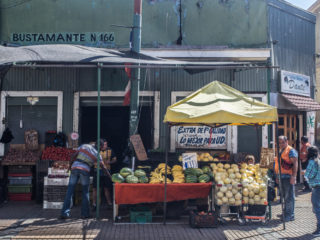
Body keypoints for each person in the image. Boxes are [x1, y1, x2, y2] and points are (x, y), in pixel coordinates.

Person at [60, 140, 107, 219]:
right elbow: (103, 167)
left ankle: (64, 213)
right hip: (85, 170)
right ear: (101, 147)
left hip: (74, 168)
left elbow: (73, 156)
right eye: (103, 147)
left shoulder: (84, 146)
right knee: (85, 192)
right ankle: (85, 214)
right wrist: (110, 176)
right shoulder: (97, 154)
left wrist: (69, 167)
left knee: (69, 191)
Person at [274, 135, 298, 222]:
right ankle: (285, 212)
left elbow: (295, 163)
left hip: (288, 176)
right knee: (284, 196)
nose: (281, 144)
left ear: (286, 142)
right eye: (279, 143)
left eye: (283, 142)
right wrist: (277, 176)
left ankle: (290, 215)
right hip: (281, 176)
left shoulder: (291, 150)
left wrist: (294, 176)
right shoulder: (280, 150)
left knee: (289, 197)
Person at [92, 139, 117, 210]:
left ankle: (109, 203)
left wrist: (110, 162)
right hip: (97, 170)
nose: (105, 146)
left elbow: (115, 159)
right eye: (103, 144)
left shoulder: (110, 150)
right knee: (96, 188)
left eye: (106, 144)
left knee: (107, 188)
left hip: (106, 171)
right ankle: (94, 204)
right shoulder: (95, 150)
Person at [305, 146, 320, 236]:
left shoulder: (312, 162)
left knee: (317, 208)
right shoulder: (318, 161)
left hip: (316, 187)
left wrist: (304, 174)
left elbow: (310, 175)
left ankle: (319, 229)